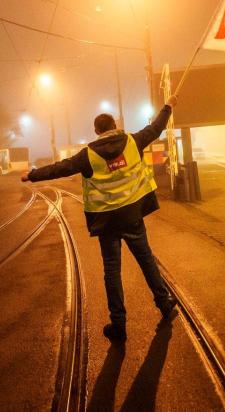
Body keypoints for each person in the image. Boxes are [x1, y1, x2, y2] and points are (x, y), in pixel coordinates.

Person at [21, 96, 180, 342]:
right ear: (115, 125)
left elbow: (60, 168)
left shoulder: (88, 155)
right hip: (132, 216)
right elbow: (156, 128)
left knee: (112, 271)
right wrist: (168, 105)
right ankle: (164, 302)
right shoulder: (132, 142)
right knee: (147, 260)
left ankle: (118, 324)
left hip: (107, 222)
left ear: (96, 131)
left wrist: (32, 175)